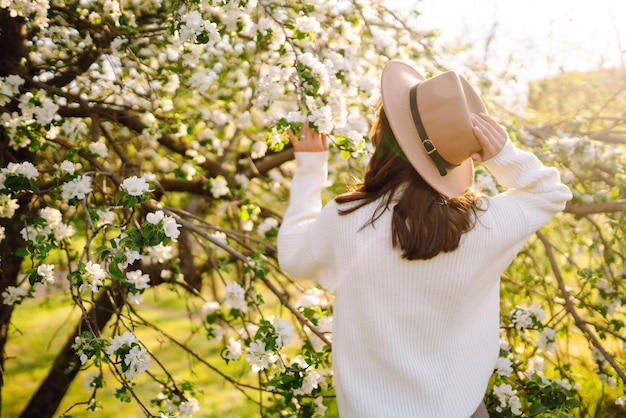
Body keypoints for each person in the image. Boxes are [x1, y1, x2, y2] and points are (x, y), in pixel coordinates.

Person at [277, 60, 572, 418]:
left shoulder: (345, 217)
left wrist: (310, 169)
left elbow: (292, 255)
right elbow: (551, 193)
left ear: (383, 136)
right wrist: (502, 156)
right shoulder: (486, 223)